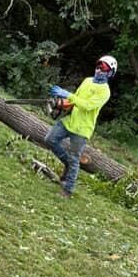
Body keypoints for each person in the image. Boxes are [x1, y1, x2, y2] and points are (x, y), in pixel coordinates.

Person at [45, 55, 118, 198]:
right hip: (70, 121)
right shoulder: (87, 81)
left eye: (103, 68)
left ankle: (68, 189)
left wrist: (67, 94)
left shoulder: (105, 91)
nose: (99, 70)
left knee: (74, 158)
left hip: (82, 129)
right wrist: (61, 102)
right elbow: (75, 99)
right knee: (50, 139)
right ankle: (66, 163)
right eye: (98, 66)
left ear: (110, 73)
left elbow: (87, 105)